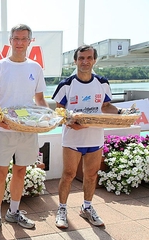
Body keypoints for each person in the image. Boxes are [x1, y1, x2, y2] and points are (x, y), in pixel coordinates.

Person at [0, 24, 49, 237]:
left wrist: (49, 117)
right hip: (3, 131)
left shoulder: (36, 68)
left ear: (30, 41)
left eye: (24, 39)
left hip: (27, 131)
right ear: (10, 41)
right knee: (0, 173)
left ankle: (14, 211)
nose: (19, 43)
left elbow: (40, 100)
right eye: (16, 38)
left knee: (20, 171)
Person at [52, 44, 120, 229]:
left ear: (94, 60)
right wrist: (70, 122)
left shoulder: (102, 82)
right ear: (75, 61)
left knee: (91, 175)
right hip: (73, 138)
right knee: (68, 175)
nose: (85, 61)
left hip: (95, 138)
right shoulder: (67, 84)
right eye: (81, 58)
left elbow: (106, 107)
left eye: (89, 58)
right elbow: (59, 111)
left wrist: (121, 112)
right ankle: (63, 209)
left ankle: (87, 208)